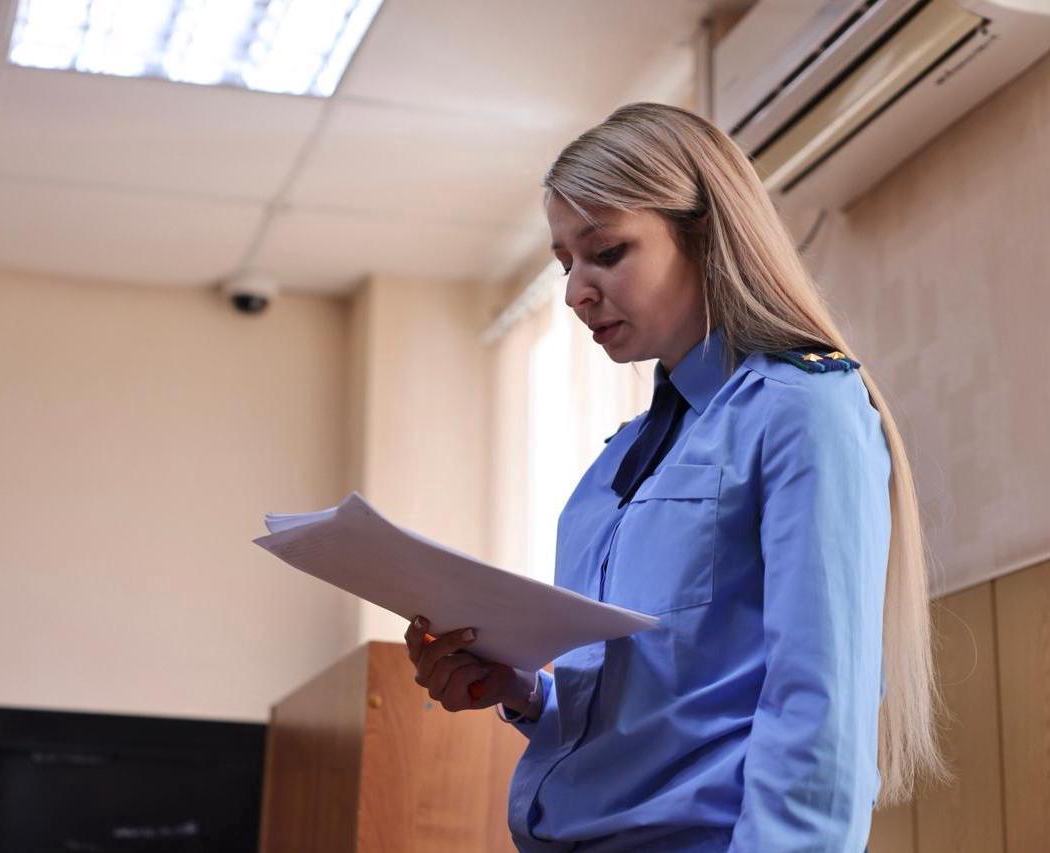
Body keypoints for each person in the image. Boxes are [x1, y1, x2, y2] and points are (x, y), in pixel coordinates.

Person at [404, 102, 950, 851]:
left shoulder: (802, 406)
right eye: (566, 264)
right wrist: (525, 692)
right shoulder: (619, 458)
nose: (575, 292)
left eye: (606, 252)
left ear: (704, 235)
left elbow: (818, 716)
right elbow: (662, 707)